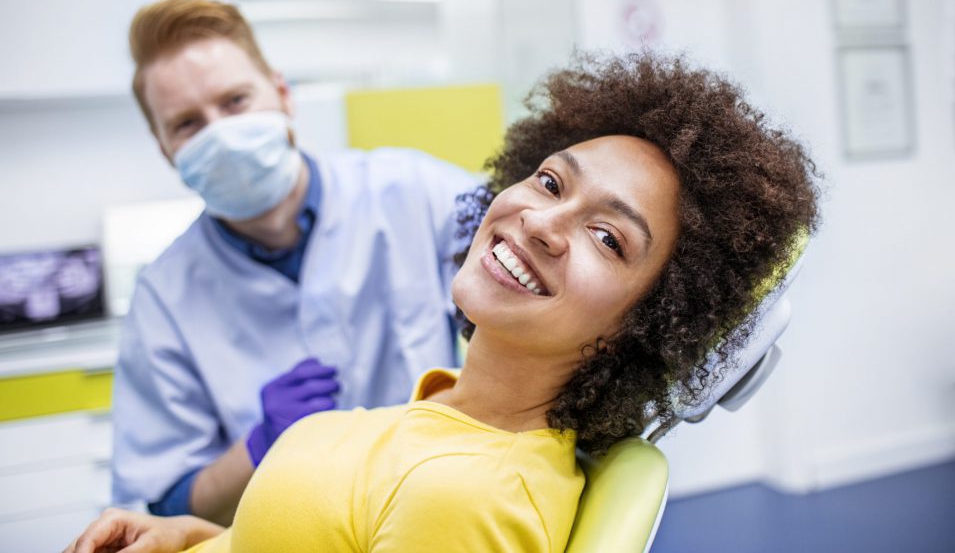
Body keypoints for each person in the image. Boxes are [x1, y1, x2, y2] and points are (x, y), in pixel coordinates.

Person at [68, 52, 820, 552]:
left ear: (650, 324)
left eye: (607, 238)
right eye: (551, 182)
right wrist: (192, 538)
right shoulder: (440, 418)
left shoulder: (469, 494)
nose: (540, 222)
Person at [111, 0, 478, 523]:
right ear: (164, 147)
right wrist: (262, 445)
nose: (221, 134)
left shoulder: (415, 192)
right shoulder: (164, 298)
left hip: (441, 510)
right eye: (189, 124)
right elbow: (167, 500)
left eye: (235, 101)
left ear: (282, 94)